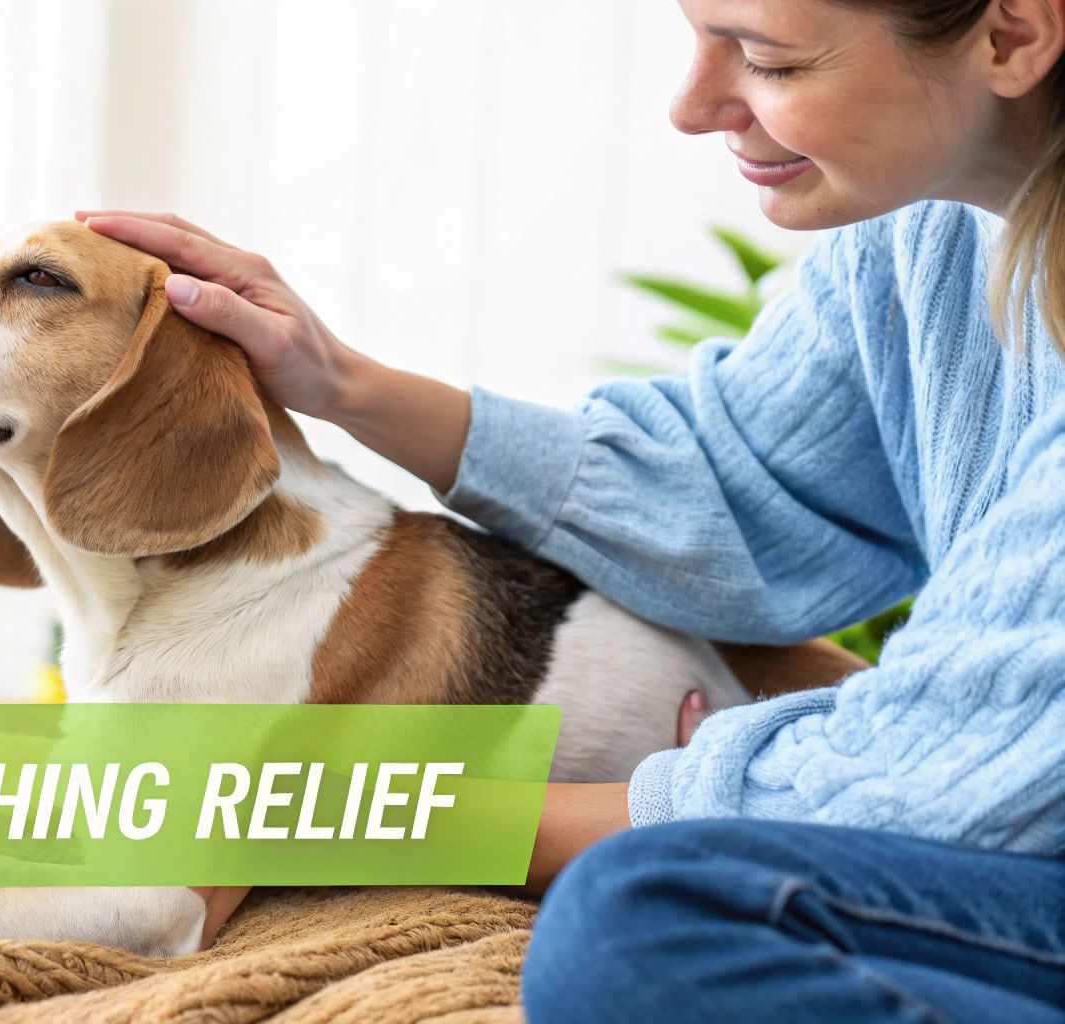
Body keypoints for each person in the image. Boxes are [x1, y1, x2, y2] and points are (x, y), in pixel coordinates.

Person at [78, 0, 1065, 1019]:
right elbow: (725, 489)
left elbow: (936, 777)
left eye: (767, 58)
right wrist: (341, 383)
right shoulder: (920, 239)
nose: (689, 106)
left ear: (1009, 36)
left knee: (637, 918)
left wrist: (385, 815)